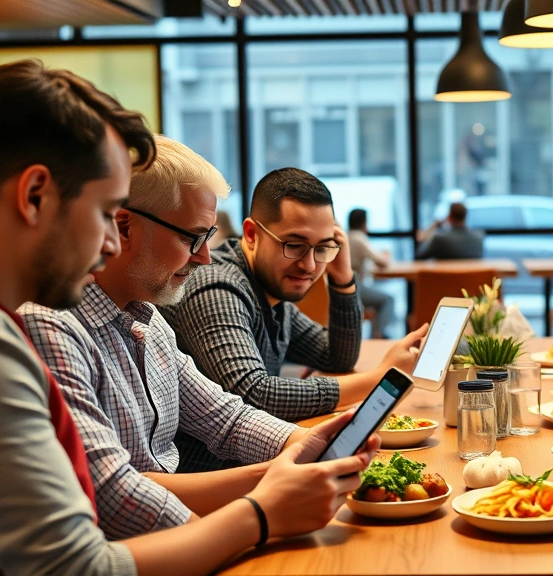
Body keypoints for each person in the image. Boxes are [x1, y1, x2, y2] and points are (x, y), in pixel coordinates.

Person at [0, 59, 378, 576]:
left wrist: (297, 458)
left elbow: (225, 417)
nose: (108, 242)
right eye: (105, 213)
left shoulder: (121, 317)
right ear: (35, 195)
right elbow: (85, 556)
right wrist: (260, 515)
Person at [18, 134, 322, 539]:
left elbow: (226, 418)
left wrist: (312, 444)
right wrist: (271, 489)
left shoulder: (148, 315)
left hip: (178, 532)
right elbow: (113, 493)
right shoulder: (50, 325)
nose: (204, 256)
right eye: (190, 237)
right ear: (123, 226)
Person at [160, 167, 427, 471]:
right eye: (295, 245)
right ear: (252, 234)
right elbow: (254, 394)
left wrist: (342, 278)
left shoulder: (272, 292)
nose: (310, 264)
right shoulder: (217, 285)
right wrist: (379, 379)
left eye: (322, 247)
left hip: (254, 466)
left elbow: (336, 355)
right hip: (209, 479)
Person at [347, 208, 395, 338]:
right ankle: (379, 336)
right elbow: (382, 262)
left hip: (350, 285)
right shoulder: (359, 239)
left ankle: (375, 334)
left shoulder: (348, 236)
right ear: (364, 222)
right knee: (388, 299)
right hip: (356, 287)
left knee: (379, 297)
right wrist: (386, 255)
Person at [415, 202, 484, 260]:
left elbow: (419, 256)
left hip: (444, 276)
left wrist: (426, 235)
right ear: (465, 216)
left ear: (449, 217)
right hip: (472, 276)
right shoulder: (478, 237)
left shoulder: (440, 239)